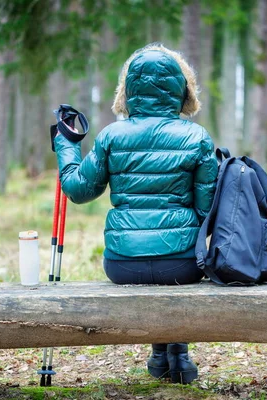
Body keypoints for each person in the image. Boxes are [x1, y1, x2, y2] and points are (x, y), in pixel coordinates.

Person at [53, 43, 218, 384]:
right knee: (174, 266)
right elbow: (207, 211)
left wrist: (66, 145)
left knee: (153, 267)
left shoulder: (112, 136)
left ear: (127, 91)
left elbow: (79, 190)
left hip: (122, 261)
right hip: (183, 261)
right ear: (182, 89)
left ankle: (160, 355)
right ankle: (178, 356)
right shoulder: (197, 138)